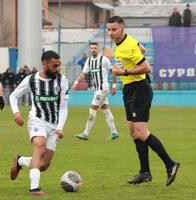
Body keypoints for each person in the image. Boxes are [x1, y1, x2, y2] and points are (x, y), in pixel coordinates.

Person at [107, 16, 180, 186]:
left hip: (139, 89)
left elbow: (146, 67)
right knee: (134, 132)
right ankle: (145, 172)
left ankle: (171, 164)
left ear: (122, 28)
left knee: (141, 132)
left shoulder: (128, 45)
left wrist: (124, 72)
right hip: (129, 89)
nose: (111, 33)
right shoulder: (122, 43)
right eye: (109, 30)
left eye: (114, 29)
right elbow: (143, 49)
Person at [9, 50, 69, 195]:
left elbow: (63, 108)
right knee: (39, 148)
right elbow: (13, 96)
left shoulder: (62, 80)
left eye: (58, 66)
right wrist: (16, 112)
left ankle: (20, 161)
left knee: (44, 165)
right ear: (44, 64)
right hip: (37, 120)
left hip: (54, 125)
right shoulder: (31, 80)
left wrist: (60, 128)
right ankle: (34, 188)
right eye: (54, 66)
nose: (57, 69)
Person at [72, 42, 119, 141]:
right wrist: (76, 82)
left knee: (92, 110)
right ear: (89, 50)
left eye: (95, 48)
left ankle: (85, 133)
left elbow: (113, 71)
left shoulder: (104, 59)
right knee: (106, 110)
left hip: (103, 89)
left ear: (98, 49)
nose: (93, 50)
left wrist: (114, 86)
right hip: (96, 89)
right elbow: (83, 74)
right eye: (92, 48)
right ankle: (114, 132)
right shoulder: (89, 61)